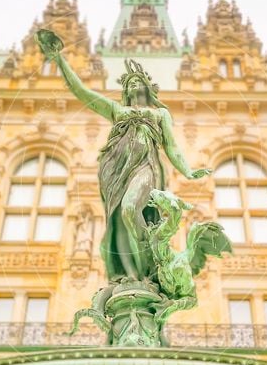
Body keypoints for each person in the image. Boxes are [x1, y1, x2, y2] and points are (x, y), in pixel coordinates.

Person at [36, 30, 210, 280]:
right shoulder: (117, 110)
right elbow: (82, 93)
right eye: (129, 82)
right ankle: (130, 273)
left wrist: (188, 171)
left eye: (138, 81)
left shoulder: (160, 115)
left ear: (148, 88)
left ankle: (151, 261)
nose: (134, 84)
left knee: (131, 208)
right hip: (116, 168)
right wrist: (60, 60)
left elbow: (171, 147)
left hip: (146, 165)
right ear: (125, 90)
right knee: (118, 217)